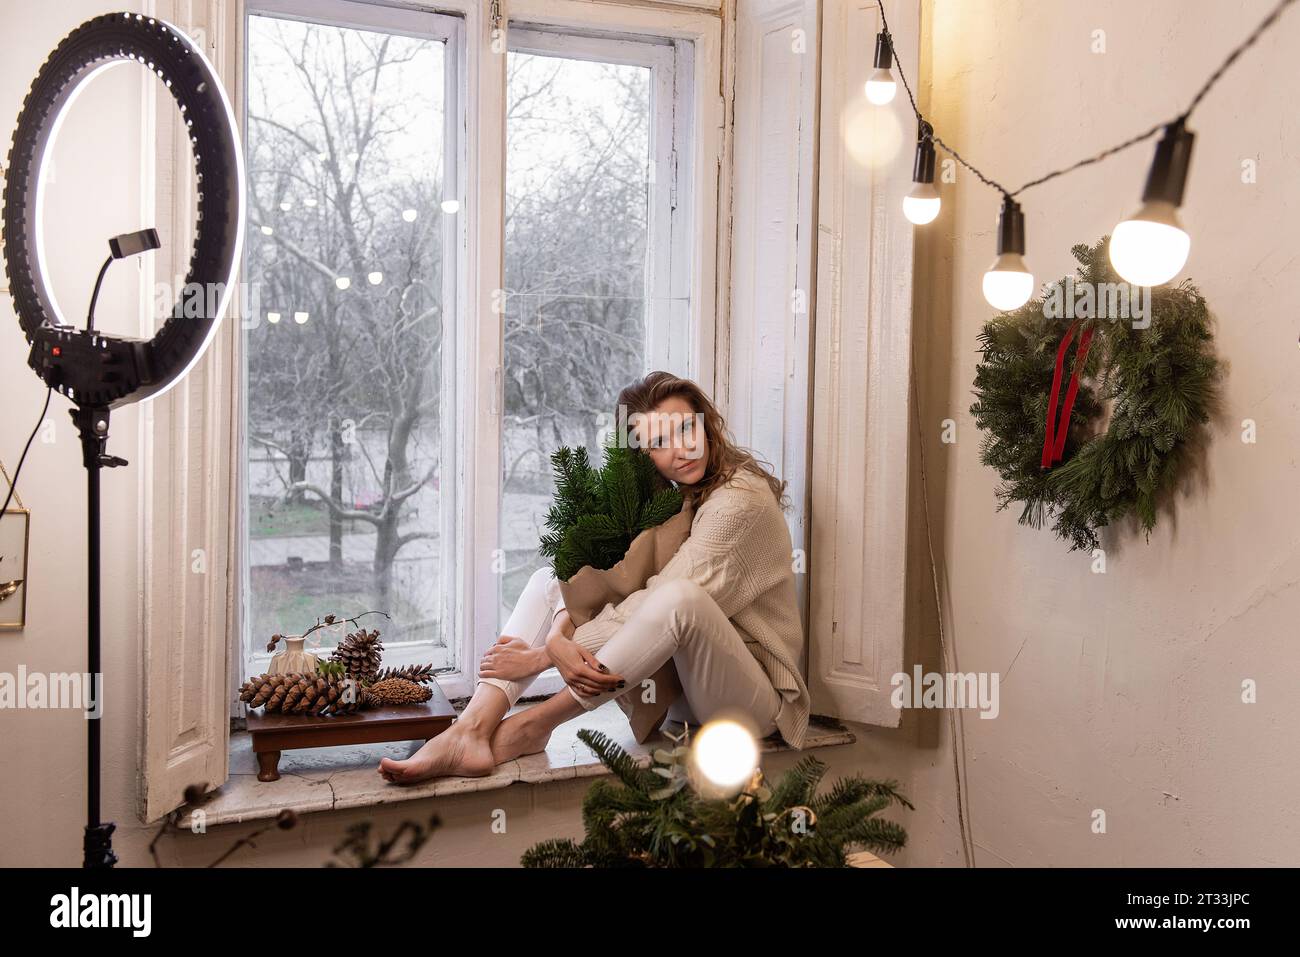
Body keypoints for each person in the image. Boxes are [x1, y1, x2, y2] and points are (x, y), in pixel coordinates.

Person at [378, 371, 810, 785]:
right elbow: (620, 584)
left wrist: (546, 656)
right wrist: (560, 631)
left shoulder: (739, 501)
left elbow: (664, 601)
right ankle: (472, 726)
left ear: (707, 425)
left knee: (681, 598)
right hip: (682, 696)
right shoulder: (677, 500)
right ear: (642, 455)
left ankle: (535, 724)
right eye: (659, 442)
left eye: (685, 429)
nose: (681, 450)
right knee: (550, 580)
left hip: (750, 705)